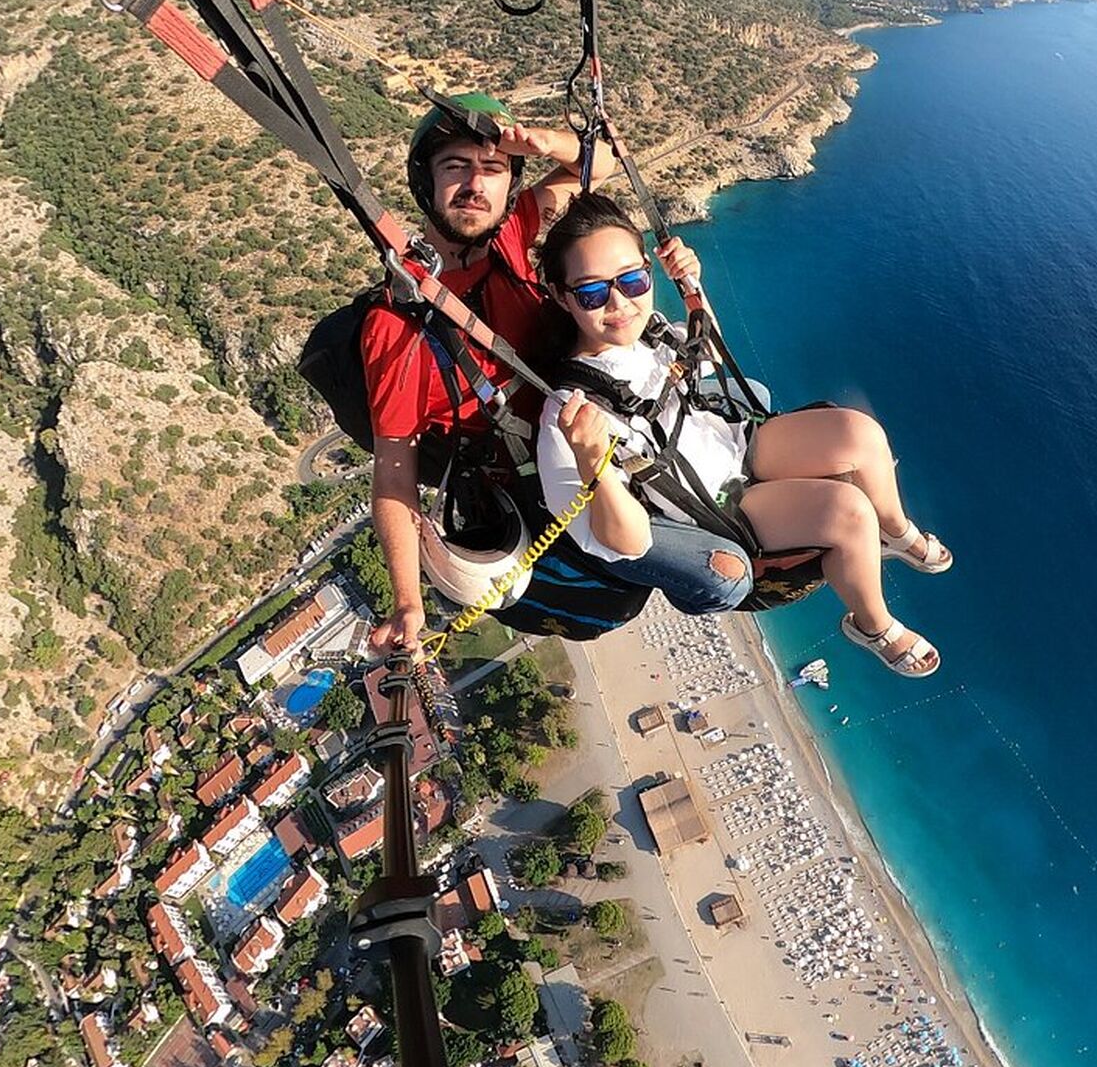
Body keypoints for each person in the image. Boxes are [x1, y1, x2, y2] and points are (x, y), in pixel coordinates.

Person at [536, 193, 951, 678]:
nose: (619, 303)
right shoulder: (567, 416)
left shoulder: (648, 330)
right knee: (848, 512)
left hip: (734, 445)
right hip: (719, 506)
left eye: (632, 280)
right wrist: (594, 463)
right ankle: (873, 624)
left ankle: (896, 532)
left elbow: (704, 358)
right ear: (562, 296)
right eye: (592, 293)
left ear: (647, 271)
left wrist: (693, 288)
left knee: (859, 433)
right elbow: (619, 544)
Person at [360, 90, 614, 651]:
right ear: (426, 182)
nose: (476, 185)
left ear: (510, 186)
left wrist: (543, 142)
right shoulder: (398, 321)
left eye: (493, 169)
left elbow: (599, 162)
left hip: (593, 438)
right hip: (531, 487)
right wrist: (408, 602)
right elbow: (394, 470)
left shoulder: (512, 234)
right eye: (456, 167)